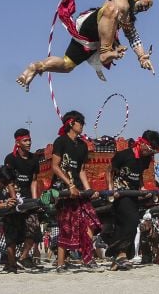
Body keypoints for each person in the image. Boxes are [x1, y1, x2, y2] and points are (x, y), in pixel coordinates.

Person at [17, 0, 155, 88]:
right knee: (113, 10)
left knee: (67, 65)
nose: (146, 8)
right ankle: (106, 53)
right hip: (95, 22)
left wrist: (142, 57)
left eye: (148, 8)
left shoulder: (128, 21)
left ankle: (36, 66)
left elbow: (134, 39)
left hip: (90, 41)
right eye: (147, 3)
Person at [52, 111, 103, 273]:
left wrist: (88, 189)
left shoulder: (82, 145)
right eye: (80, 122)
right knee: (67, 227)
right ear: (71, 123)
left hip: (79, 190)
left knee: (90, 222)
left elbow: (81, 170)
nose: (82, 125)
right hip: (63, 190)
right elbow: (55, 166)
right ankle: (60, 264)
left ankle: (88, 258)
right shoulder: (60, 142)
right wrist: (69, 186)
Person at [107, 129, 159, 270]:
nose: (150, 153)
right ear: (142, 143)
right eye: (150, 149)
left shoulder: (146, 159)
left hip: (133, 194)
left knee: (127, 224)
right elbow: (109, 170)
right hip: (120, 194)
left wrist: (142, 188)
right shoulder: (123, 155)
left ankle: (118, 258)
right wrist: (111, 189)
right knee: (131, 220)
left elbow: (140, 174)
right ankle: (121, 255)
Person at [3, 128, 41, 270]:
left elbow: (34, 180)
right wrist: (14, 198)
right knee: (12, 231)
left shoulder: (34, 159)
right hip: (14, 199)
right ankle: (11, 262)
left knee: (34, 227)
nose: (29, 143)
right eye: (25, 140)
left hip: (29, 199)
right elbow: (8, 180)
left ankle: (23, 257)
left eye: (29, 140)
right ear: (18, 142)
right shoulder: (10, 159)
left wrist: (35, 200)